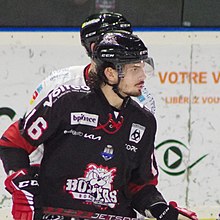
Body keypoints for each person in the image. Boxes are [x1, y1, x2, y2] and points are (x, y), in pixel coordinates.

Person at [0, 30, 179, 220]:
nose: (143, 75)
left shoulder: (143, 120)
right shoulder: (66, 102)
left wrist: (159, 207)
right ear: (110, 73)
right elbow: (13, 144)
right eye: (134, 69)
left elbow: (140, 185)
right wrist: (23, 186)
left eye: (143, 67)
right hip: (56, 214)